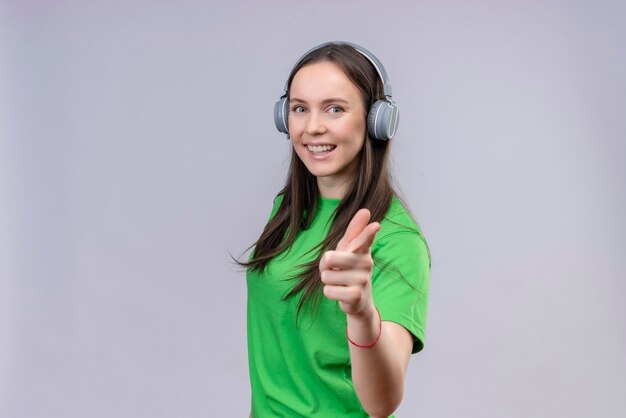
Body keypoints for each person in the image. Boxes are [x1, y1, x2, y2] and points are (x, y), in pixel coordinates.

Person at [240, 41, 430, 418]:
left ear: (377, 120)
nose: (313, 127)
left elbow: (382, 403)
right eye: (299, 109)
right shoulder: (290, 209)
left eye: (335, 109)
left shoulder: (396, 241)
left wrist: (361, 313)